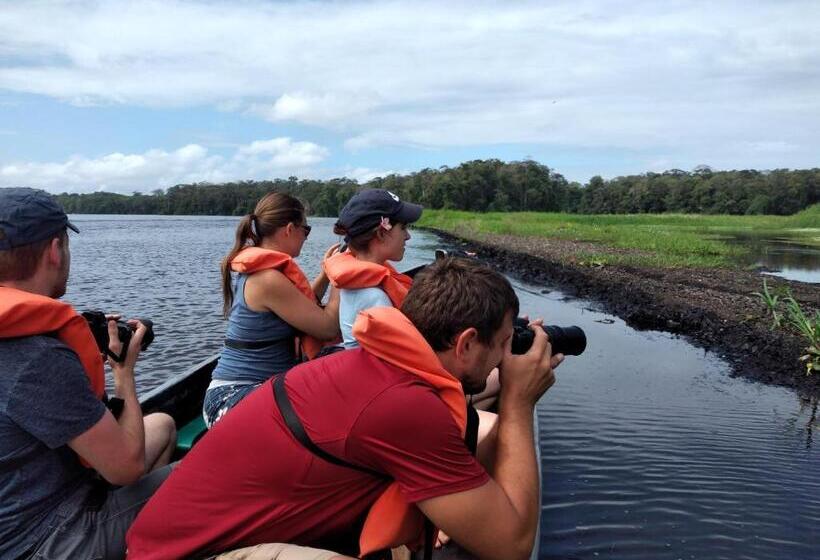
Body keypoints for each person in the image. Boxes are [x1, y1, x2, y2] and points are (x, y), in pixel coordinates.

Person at [127, 257, 563, 560]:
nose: (509, 354)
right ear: (466, 343)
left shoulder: (382, 368)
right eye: (505, 342)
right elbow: (511, 546)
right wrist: (518, 402)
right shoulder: (402, 405)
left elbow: (473, 469)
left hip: (191, 535)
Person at [0, 187, 177, 560]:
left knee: (160, 424)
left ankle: (139, 540)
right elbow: (125, 469)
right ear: (54, 250)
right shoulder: (37, 356)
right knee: (210, 472)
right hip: (42, 540)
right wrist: (123, 373)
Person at [204, 192, 341, 427]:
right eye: (305, 230)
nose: (306, 237)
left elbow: (302, 308)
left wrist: (326, 275)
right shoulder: (267, 279)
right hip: (233, 398)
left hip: (259, 389)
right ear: (289, 229)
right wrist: (340, 275)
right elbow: (327, 328)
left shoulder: (265, 274)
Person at [324, 189, 421, 349]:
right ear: (382, 234)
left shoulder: (358, 283)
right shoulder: (375, 298)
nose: (408, 236)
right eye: (403, 228)